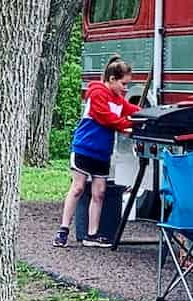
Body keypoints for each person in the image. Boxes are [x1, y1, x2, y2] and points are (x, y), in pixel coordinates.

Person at [54, 56, 137, 248]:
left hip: (102, 152)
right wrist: (128, 125)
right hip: (84, 148)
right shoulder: (97, 94)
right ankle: (63, 229)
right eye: (124, 84)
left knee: (99, 192)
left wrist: (149, 115)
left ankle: (92, 234)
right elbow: (107, 119)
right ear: (112, 79)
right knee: (78, 188)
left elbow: (131, 110)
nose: (126, 89)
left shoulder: (118, 100)